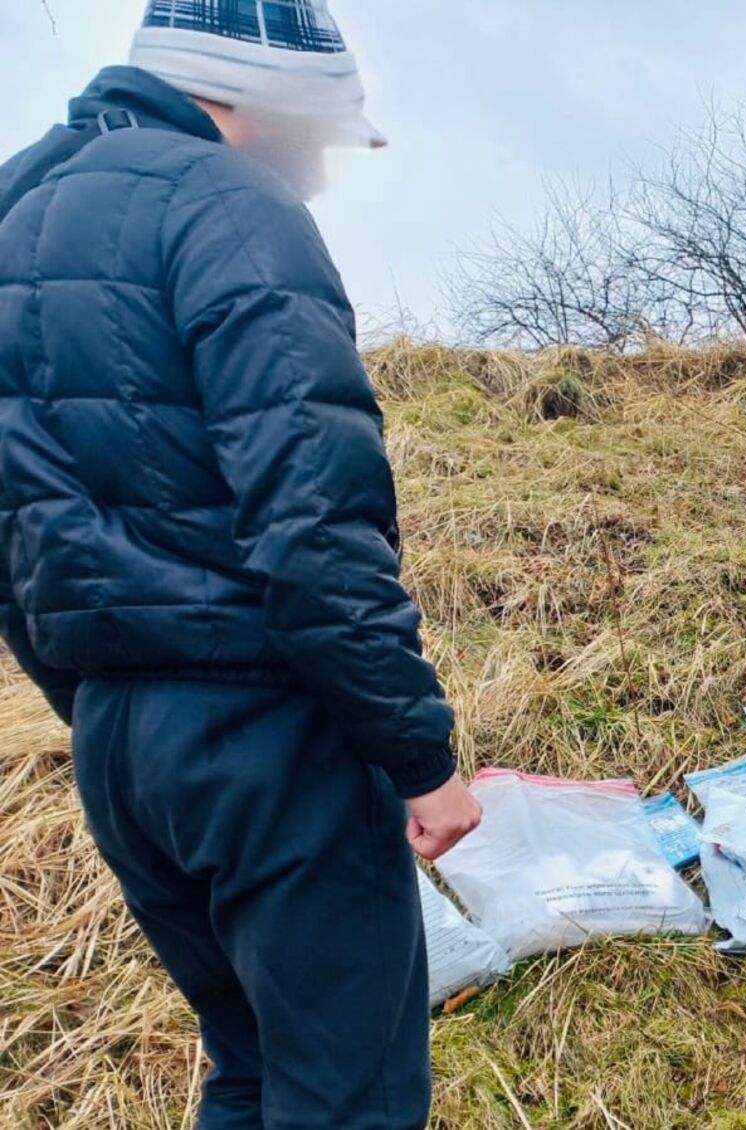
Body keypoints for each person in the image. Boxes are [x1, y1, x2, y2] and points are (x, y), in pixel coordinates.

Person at [0, 4, 477, 1127]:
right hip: (268, 736)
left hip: (120, 746)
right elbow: (314, 519)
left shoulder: (15, 209)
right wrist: (419, 754)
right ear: (263, 102)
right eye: (317, 138)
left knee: (253, 1067)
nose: (316, 174)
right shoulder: (228, 202)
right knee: (349, 1096)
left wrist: (101, 702)